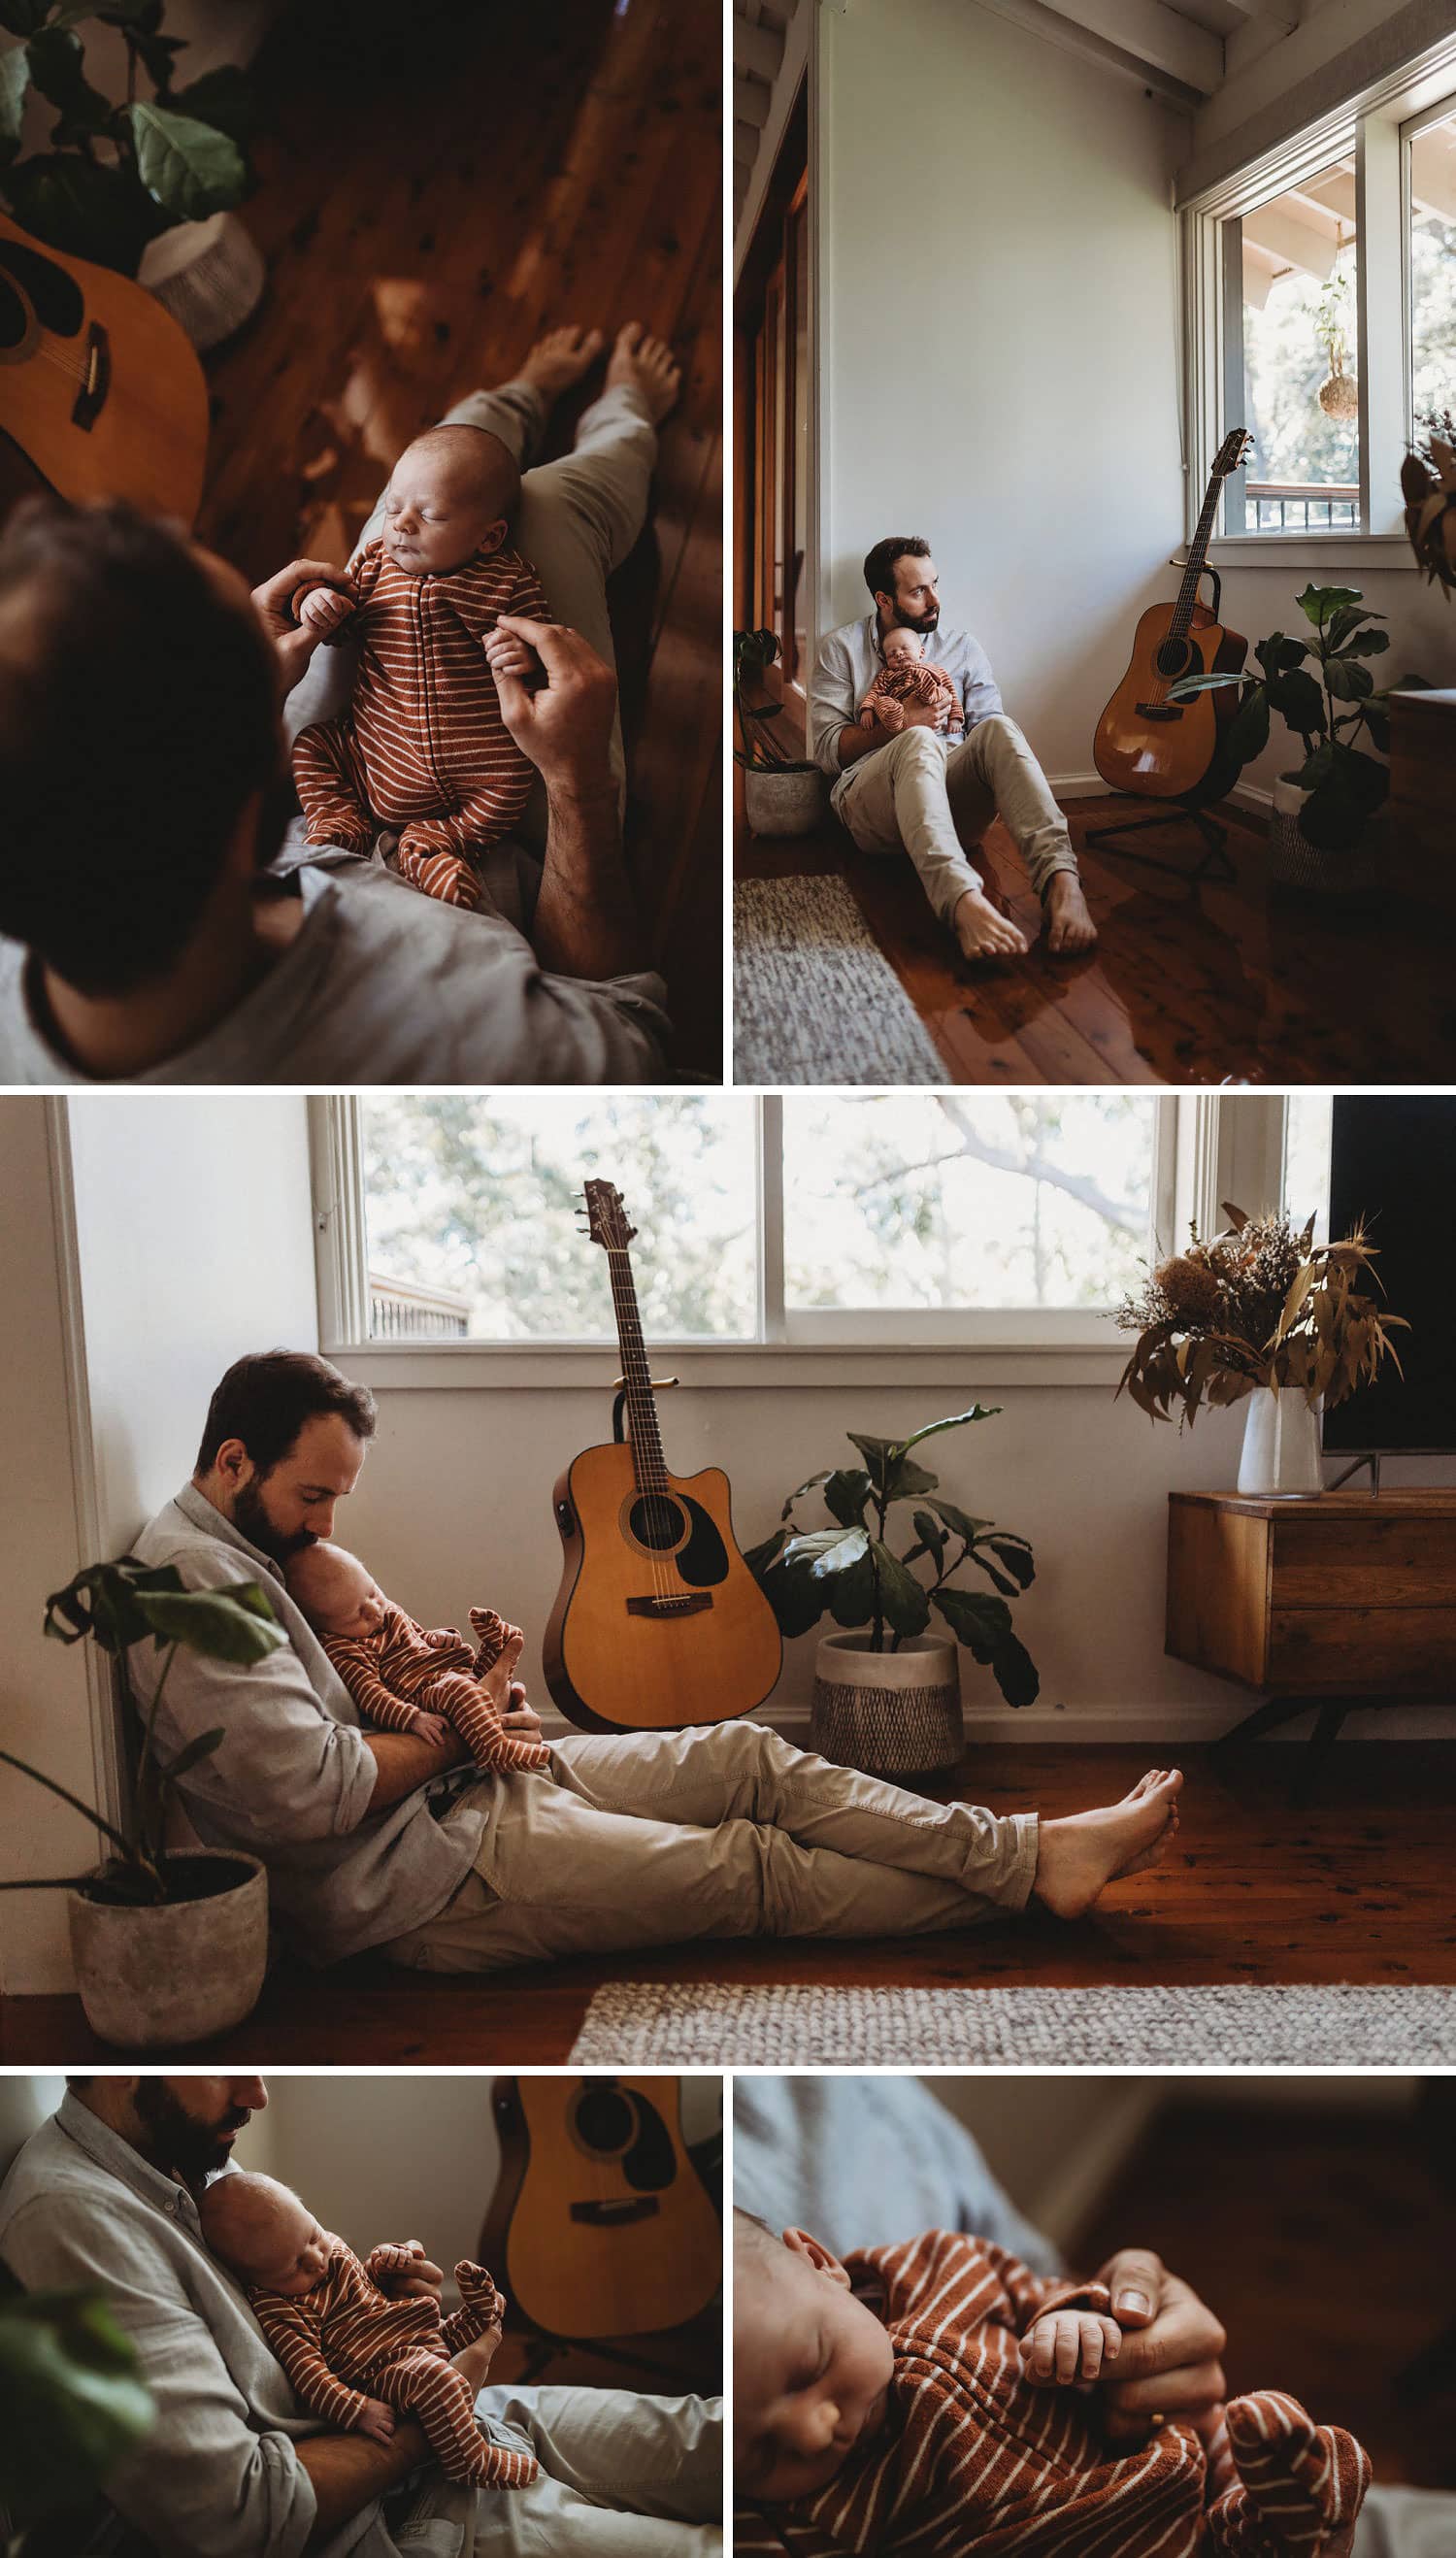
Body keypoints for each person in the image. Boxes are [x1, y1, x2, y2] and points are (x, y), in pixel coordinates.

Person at [121, 1348, 1185, 1980]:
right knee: (750, 1867)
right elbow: (315, 1791)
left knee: (747, 1756)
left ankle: (1029, 1853)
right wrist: (459, 1721)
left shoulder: (255, 1549)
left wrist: (473, 1706)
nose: (328, 1520)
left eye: (336, 1497)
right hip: (422, 1885)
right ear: (231, 1461)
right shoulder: (189, 1592)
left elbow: (376, 1688)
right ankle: (1035, 1873)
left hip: (473, 1791)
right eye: (315, 1495)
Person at [0, 324, 677, 1083]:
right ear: (257, 767)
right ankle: (622, 418)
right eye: (259, 662)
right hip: (470, 825)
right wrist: (579, 778)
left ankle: (515, 399)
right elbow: (629, 1028)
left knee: (427, 482)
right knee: (551, 504)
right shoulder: (475, 1031)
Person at [0, 2077, 722, 2558]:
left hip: (452, 2419)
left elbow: (308, 2304)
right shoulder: (74, 2216)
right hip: (397, 2516)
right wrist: (436, 2407)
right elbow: (240, 2509)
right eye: (224, 2068)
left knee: (707, 2432)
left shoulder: (187, 2153)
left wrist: (382, 2295)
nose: (256, 2092)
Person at [732, 2212, 1369, 2554]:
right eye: (763, 2453)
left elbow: (1038, 2290)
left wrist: (1073, 2321)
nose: (814, 2431)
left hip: (1151, 2465)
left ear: (820, 2261)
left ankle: (1284, 2498)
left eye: (810, 2367)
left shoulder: (936, 2270)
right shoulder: (796, 2520)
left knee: (1240, 2429)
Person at [289, 421, 553, 908]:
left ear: (489, 538)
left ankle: (437, 844)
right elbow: (339, 619)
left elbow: (544, 646)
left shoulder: (505, 581)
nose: (401, 523)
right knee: (312, 743)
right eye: (392, 508)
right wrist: (315, 602)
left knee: (517, 779)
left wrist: (525, 655)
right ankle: (338, 819)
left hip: (479, 766)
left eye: (429, 515)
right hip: (371, 756)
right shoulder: (373, 566)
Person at [810, 535, 1099, 962]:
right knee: (919, 739)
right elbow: (826, 750)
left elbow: (988, 740)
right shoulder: (841, 648)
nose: (934, 600)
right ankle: (961, 901)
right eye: (918, 591)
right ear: (884, 599)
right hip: (872, 808)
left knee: (999, 727)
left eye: (935, 584)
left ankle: (1061, 881)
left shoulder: (962, 647)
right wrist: (900, 726)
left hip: (954, 804)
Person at [197, 2174, 528, 2490]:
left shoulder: (327, 2247)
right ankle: (468, 2459)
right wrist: (357, 2409)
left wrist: (385, 2265)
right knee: (435, 2378)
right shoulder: (280, 2307)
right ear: (254, 2280)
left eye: (313, 2236)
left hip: (412, 2331)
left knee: (471, 2323)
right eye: (295, 2265)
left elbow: (364, 2290)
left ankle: (480, 2311)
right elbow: (309, 2375)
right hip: (381, 2371)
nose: (316, 2260)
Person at [283, 1540, 549, 1776]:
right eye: (358, 1615)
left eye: (373, 1593)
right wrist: (412, 1718)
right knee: (461, 1690)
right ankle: (495, 1750)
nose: (375, 1611)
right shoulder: (344, 1649)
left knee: (503, 1643)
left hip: (447, 1668)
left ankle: (493, 1646)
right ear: (324, 1628)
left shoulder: (386, 1611)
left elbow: (418, 1636)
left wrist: (438, 1638)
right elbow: (372, 1695)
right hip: (425, 1694)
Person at [856, 623, 962, 739]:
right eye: (892, 654)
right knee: (881, 701)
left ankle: (927, 691)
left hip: (930, 700)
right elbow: (875, 692)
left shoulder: (935, 670)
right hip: (900, 706)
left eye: (905, 648)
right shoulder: (886, 674)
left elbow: (952, 694)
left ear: (921, 652)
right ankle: (896, 720)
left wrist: (955, 718)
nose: (898, 654)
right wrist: (867, 709)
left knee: (943, 692)